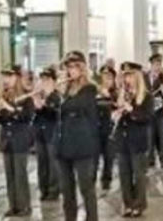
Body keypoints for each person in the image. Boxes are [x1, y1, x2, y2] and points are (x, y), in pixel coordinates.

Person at [55, 51, 101, 221]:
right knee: (66, 189)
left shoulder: (89, 89)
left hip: (82, 145)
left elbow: (77, 105)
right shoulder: (66, 89)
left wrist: (60, 96)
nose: (71, 70)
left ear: (82, 68)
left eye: (74, 66)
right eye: (68, 67)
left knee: (86, 187)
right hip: (64, 144)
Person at [113, 62, 154, 217]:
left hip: (138, 140)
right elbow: (117, 112)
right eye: (125, 76)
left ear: (137, 77)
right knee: (124, 174)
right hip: (123, 140)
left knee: (139, 175)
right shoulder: (123, 95)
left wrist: (132, 110)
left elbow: (147, 118)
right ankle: (127, 204)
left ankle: (139, 204)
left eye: (129, 76)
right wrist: (116, 113)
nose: (127, 80)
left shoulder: (146, 97)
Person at [0, 66, 35, 217]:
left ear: (17, 78)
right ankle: (13, 206)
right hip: (7, 139)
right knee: (9, 175)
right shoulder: (3, 96)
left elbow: (27, 116)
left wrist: (9, 109)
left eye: (10, 76)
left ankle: (25, 206)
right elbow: (3, 118)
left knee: (20, 175)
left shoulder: (26, 96)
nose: (6, 80)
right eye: (5, 76)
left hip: (20, 139)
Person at [34, 68, 62, 201]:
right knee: (41, 162)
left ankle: (53, 190)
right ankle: (43, 189)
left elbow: (56, 112)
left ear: (53, 81)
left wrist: (44, 104)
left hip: (52, 132)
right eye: (42, 79)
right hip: (40, 132)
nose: (44, 82)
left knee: (52, 163)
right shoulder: (39, 95)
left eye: (47, 79)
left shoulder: (56, 96)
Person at [146, 54, 163, 169]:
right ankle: (150, 160)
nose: (157, 67)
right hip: (148, 112)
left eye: (159, 64)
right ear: (151, 65)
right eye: (155, 64)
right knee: (149, 137)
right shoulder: (144, 77)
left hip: (162, 112)